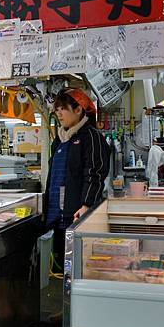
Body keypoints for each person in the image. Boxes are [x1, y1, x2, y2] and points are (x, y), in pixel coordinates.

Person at [45, 88, 110, 270]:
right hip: (56, 214)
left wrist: (86, 205)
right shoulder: (59, 139)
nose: (58, 113)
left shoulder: (91, 137)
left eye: (62, 108)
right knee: (58, 268)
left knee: (76, 268)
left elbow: (95, 173)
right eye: (56, 109)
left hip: (76, 213)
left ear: (78, 109)